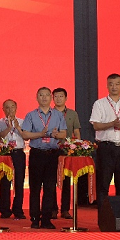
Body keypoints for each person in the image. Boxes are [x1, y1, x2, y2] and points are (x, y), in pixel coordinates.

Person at [20, 87, 67, 229]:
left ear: (51, 98)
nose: (44, 97)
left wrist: (56, 135)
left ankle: (46, 219)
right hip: (37, 154)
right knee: (35, 188)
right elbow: (25, 135)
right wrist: (40, 134)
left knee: (50, 187)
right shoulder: (31, 115)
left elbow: (64, 134)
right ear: (37, 97)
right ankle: (35, 218)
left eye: (47, 95)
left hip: (52, 154)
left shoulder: (58, 115)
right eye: (41, 95)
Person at [90, 73, 120, 199]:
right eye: (111, 84)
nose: (114, 87)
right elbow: (96, 126)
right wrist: (112, 124)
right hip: (106, 148)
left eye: (117, 84)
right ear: (107, 86)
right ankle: (103, 211)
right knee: (103, 183)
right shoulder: (99, 104)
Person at [0, 99, 26, 220]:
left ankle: (18, 210)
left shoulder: (22, 122)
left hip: (18, 153)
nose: (10, 110)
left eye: (12, 107)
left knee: (19, 182)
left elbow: (26, 137)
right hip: (5, 154)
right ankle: (5, 210)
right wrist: (9, 128)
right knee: (5, 183)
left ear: (16, 108)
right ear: (3, 109)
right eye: (7, 107)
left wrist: (17, 127)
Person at [53, 88, 82, 219]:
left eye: (61, 96)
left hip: (67, 150)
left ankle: (65, 209)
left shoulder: (72, 114)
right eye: (56, 96)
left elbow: (76, 132)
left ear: (66, 98)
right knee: (51, 180)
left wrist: (78, 147)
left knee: (67, 181)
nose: (58, 98)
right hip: (52, 149)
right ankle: (53, 209)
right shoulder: (49, 113)